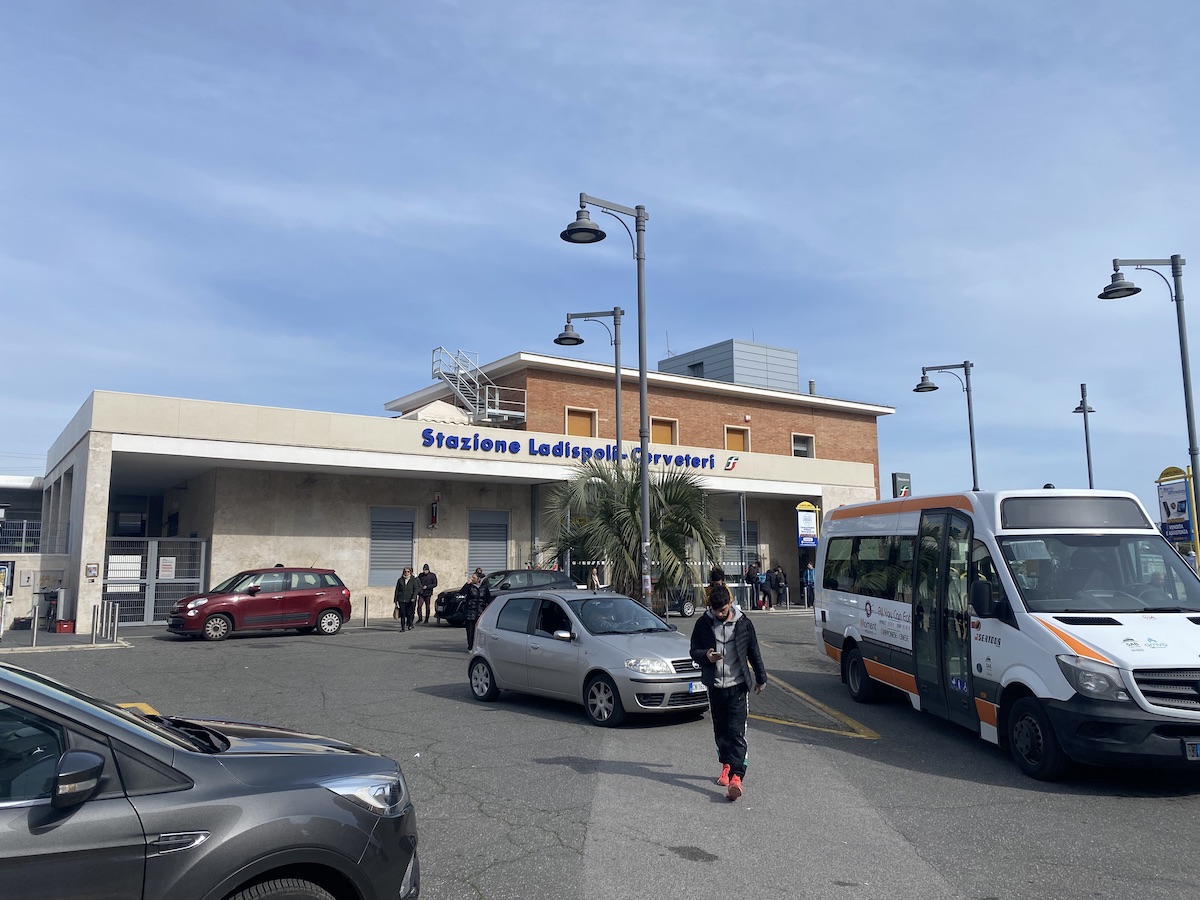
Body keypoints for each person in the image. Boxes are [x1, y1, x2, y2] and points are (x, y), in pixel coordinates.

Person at [690, 570, 767, 802]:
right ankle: (725, 766)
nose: (720, 614)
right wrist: (707, 655)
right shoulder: (704, 623)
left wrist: (761, 678)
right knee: (721, 731)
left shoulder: (744, 623)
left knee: (736, 731)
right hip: (715, 686)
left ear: (730, 603)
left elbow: (753, 650)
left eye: (723, 610)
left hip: (737, 686)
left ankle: (736, 777)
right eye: (716, 611)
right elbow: (693, 650)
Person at [463, 572, 486, 651]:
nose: (472, 579)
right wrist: (467, 584)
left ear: (478, 579)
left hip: (480, 612)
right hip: (470, 611)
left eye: (474, 578)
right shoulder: (470, 587)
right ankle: (470, 647)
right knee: (470, 630)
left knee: (479, 631)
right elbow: (462, 592)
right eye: (471, 577)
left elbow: (488, 599)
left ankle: (478, 647)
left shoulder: (484, 588)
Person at [394, 566, 420, 632]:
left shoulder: (413, 580)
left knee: (409, 613)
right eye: (405, 571)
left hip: (410, 599)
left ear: (410, 572)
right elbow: (397, 590)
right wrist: (395, 599)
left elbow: (416, 589)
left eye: (408, 571)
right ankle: (403, 627)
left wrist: (414, 597)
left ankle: (410, 624)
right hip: (401, 599)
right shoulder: (400, 580)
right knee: (402, 613)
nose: (406, 573)